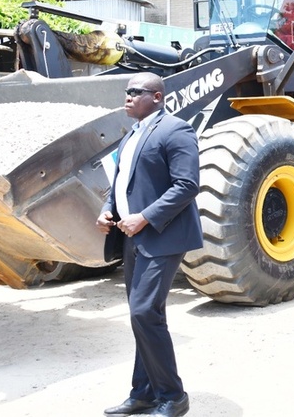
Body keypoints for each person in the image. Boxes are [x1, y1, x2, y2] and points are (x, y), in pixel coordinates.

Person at [96, 72, 202, 417]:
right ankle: (142, 392)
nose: (127, 97)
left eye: (135, 92)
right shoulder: (131, 134)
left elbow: (186, 185)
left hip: (164, 234)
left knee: (144, 311)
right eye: (126, 92)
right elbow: (121, 182)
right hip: (131, 236)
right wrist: (107, 209)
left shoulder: (176, 130)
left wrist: (144, 217)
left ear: (157, 97)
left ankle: (173, 396)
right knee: (142, 316)